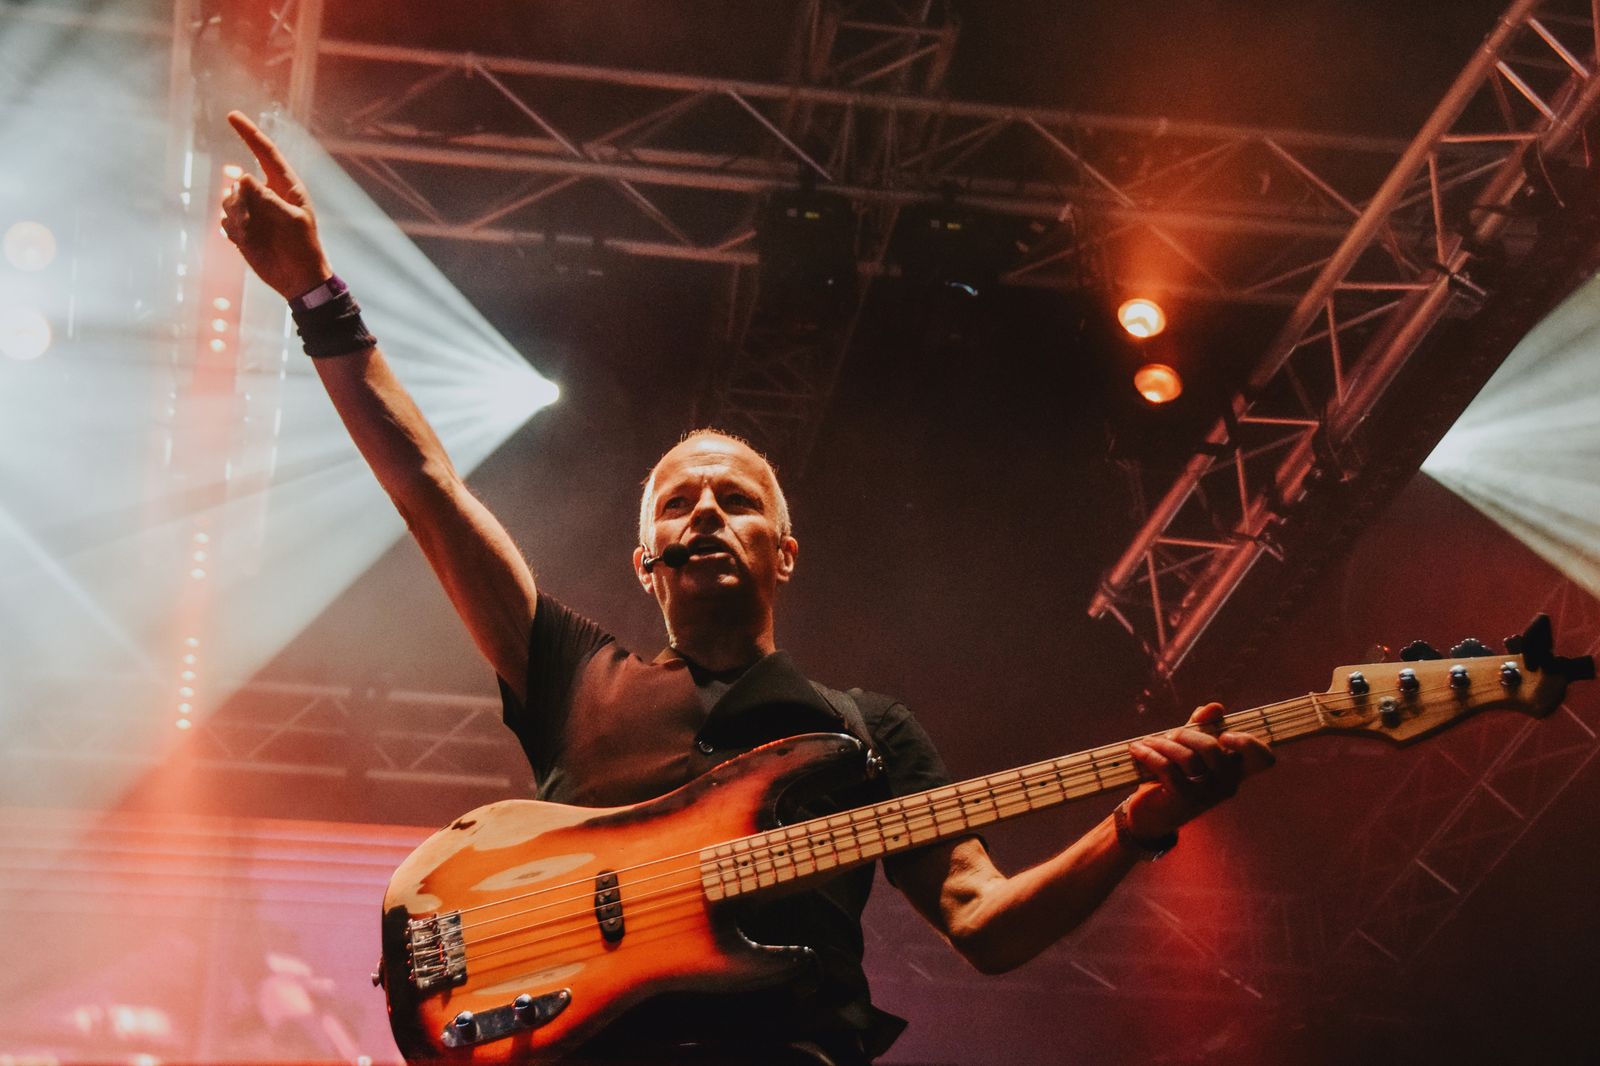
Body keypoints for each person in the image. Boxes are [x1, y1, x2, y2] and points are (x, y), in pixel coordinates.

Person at [220, 110, 1275, 1064]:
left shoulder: (863, 734)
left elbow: (984, 921)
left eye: (736, 499)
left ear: (786, 551)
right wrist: (315, 294)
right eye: (679, 502)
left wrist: (1139, 822)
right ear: (646, 561)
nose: (706, 513)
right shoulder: (577, 679)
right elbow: (429, 490)